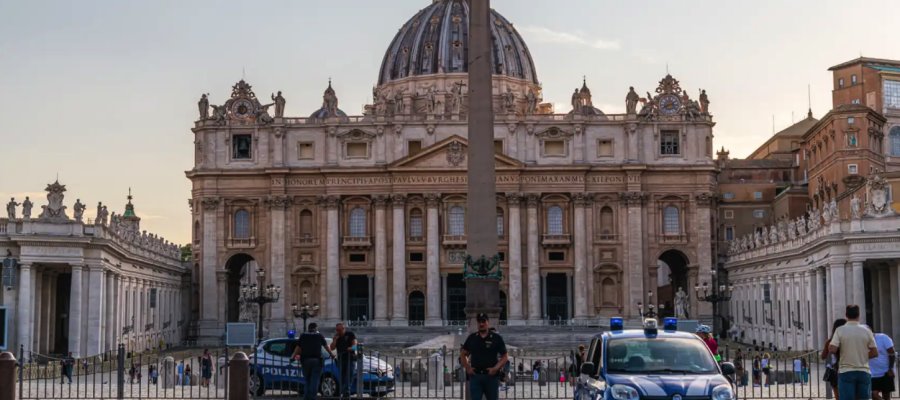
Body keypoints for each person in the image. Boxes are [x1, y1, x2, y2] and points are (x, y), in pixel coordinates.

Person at [829, 305, 878, 400]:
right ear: (858, 315)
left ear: (846, 315)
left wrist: (830, 345)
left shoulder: (840, 330)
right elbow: (875, 352)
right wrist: (862, 356)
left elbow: (833, 349)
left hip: (846, 371)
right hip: (864, 371)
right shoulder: (867, 331)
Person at [461, 313, 509, 400]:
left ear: (488, 322)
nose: (481, 324)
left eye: (483, 321)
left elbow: (505, 356)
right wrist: (468, 368)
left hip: (491, 377)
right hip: (476, 376)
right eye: (479, 322)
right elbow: (463, 354)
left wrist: (495, 368)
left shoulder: (496, 338)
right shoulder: (472, 338)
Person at [292, 322, 335, 400]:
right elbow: (326, 347)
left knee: (307, 380)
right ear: (316, 328)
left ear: (308, 328)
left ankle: (306, 397)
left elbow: (298, 348)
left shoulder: (303, 336)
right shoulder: (319, 336)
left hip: (305, 360)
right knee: (314, 380)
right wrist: (331, 354)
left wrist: (292, 357)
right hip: (316, 360)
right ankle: (312, 397)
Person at [822, 319, 847, 400]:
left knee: (837, 396)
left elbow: (823, 356)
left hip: (834, 371)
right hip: (847, 369)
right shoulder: (848, 341)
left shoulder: (829, 342)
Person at [331, 322, 358, 398]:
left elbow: (356, 346)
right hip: (341, 359)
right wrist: (335, 340)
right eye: (337, 330)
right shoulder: (336, 336)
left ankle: (347, 393)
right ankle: (343, 392)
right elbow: (332, 348)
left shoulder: (350, 334)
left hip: (350, 358)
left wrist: (350, 348)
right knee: (342, 377)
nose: (338, 331)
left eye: (339, 330)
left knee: (349, 376)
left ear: (343, 329)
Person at [870, 332, 896, 400]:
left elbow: (892, 353)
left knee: (886, 395)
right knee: (874, 395)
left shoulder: (883, 337)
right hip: (872, 373)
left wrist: (890, 368)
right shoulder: (863, 341)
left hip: (886, 371)